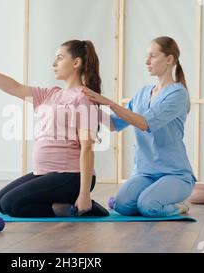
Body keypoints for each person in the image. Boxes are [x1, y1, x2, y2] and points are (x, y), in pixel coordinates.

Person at [0, 40, 109, 217]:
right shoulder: (50, 94)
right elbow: (14, 87)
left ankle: (75, 207)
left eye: (60, 58)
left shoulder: (83, 99)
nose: (54, 63)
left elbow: (87, 148)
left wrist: (84, 193)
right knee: (0, 202)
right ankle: (61, 206)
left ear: (76, 63)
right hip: (46, 173)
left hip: (72, 176)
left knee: (11, 204)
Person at [82, 36, 196, 217]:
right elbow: (114, 124)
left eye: (153, 56)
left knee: (148, 206)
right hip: (145, 172)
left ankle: (179, 205)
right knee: (121, 206)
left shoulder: (178, 94)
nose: (147, 61)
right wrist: (89, 106)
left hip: (174, 175)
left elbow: (144, 123)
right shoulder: (143, 92)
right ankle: (150, 196)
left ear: (169, 59)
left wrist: (107, 102)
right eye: (146, 56)